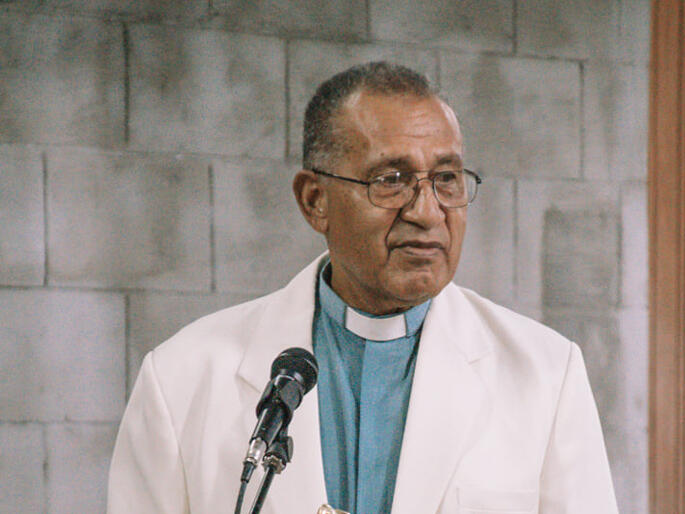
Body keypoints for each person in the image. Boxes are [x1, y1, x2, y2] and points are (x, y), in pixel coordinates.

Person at [107, 61, 618, 514]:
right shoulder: (181, 380)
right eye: (391, 179)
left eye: (447, 179)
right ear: (315, 201)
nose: (427, 212)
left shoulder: (546, 377)